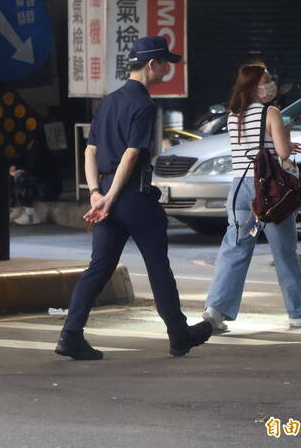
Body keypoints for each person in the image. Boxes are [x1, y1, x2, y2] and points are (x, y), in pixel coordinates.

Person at [55, 36, 212, 360]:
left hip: (109, 193)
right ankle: (178, 334)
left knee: (98, 268)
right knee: (157, 266)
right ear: (152, 64)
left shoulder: (108, 102)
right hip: (133, 197)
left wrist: (96, 193)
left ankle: (70, 334)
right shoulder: (143, 105)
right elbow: (130, 156)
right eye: (165, 63)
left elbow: (90, 151)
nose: (167, 69)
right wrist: (111, 197)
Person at [203, 64, 301, 332]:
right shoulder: (271, 112)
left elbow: (250, 148)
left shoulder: (234, 114)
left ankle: (216, 309)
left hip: (239, 190)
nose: (271, 85)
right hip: (268, 192)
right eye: (267, 80)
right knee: (284, 252)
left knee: (235, 247)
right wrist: (288, 140)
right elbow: (281, 152)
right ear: (255, 86)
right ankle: (299, 313)